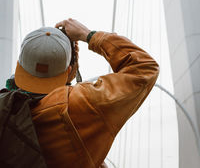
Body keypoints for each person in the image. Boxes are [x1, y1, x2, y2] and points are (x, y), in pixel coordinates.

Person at [14, 18, 159, 168]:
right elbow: (145, 67)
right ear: (70, 71)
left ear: (19, 66)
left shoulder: (6, 108)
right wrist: (88, 35)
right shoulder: (82, 104)